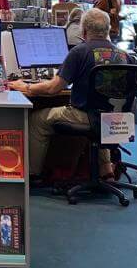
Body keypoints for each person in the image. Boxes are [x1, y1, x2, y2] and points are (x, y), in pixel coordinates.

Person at [9, 9, 128, 178]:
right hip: (116, 117)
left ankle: (32, 174)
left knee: (37, 119)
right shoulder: (124, 55)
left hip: (86, 115)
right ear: (108, 30)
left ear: (84, 31)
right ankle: (106, 170)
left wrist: (27, 87)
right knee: (102, 117)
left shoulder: (80, 52)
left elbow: (53, 89)